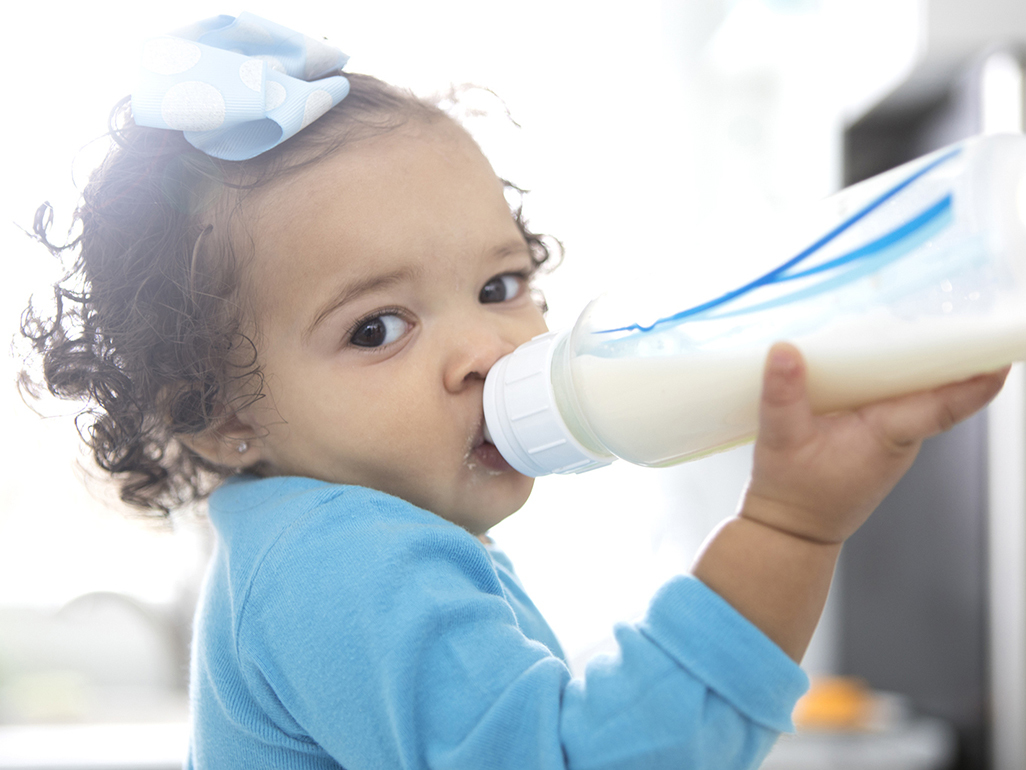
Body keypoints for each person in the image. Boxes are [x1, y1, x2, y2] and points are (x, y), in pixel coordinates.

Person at [19, 13, 1008, 770]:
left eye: (498, 287)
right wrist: (789, 530)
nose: (486, 348)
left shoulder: (329, 544)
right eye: (377, 327)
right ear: (224, 417)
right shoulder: (339, 565)